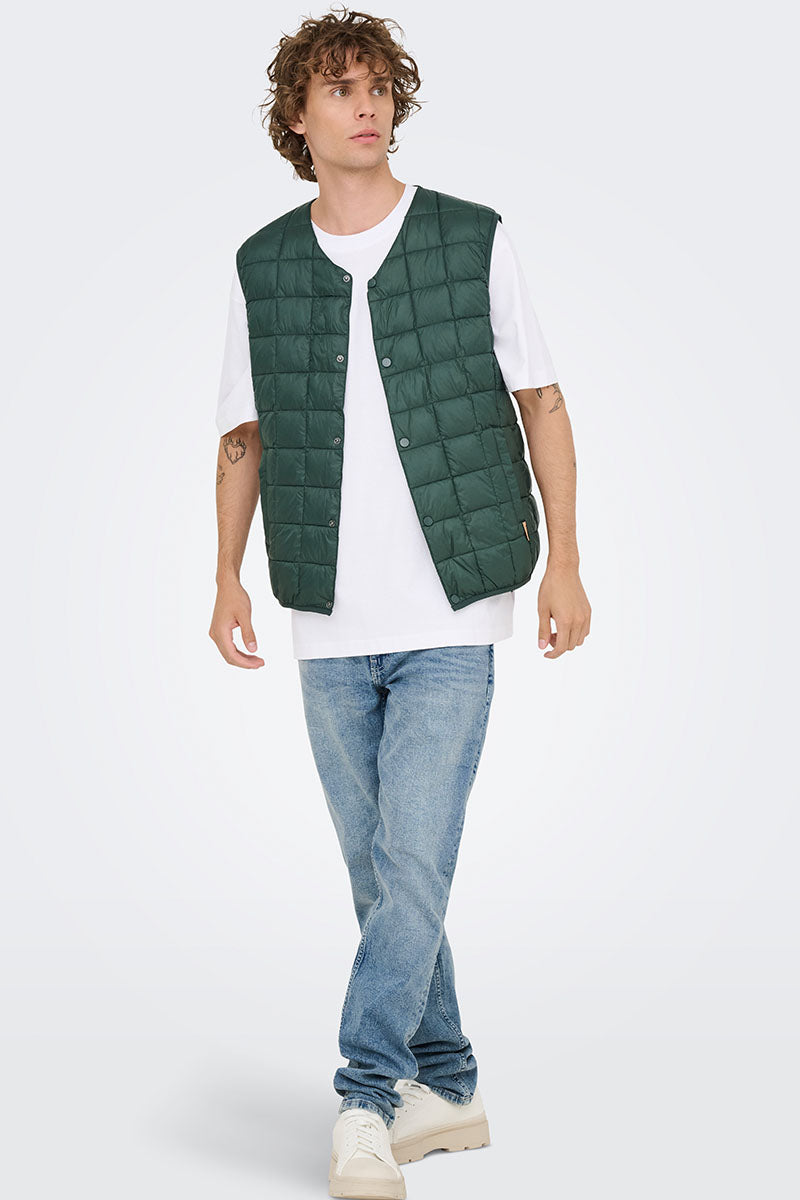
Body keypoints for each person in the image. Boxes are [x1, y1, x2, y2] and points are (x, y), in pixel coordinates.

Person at [209, 9, 591, 1198]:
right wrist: (222, 576)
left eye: (378, 85)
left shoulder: (472, 237)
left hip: (450, 614)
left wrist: (566, 561)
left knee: (412, 861)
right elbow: (243, 434)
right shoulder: (263, 264)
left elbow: (540, 401)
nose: (365, 103)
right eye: (339, 88)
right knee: (381, 879)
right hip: (325, 617)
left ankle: (364, 1101)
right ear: (298, 118)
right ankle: (451, 1082)